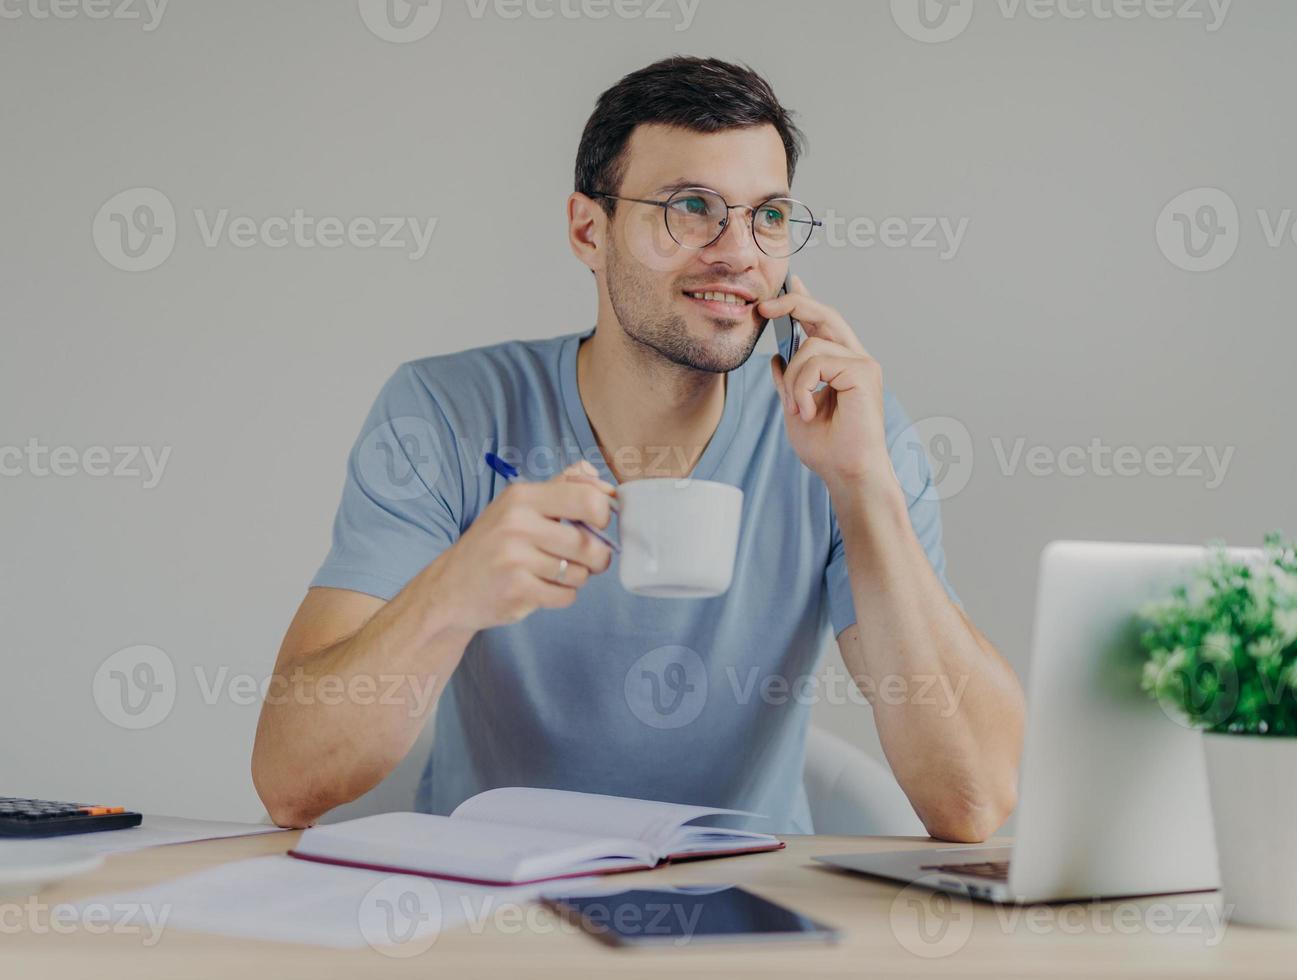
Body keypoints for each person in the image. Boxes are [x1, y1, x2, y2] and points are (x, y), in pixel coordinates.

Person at [251, 56, 1023, 840]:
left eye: (770, 215)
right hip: (491, 923)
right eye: (692, 207)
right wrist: (451, 594)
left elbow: (972, 801)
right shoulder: (444, 415)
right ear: (590, 229)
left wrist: (863, 486)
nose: (738, 251)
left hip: (747, 928)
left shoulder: (847, 432)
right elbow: (292, 783)